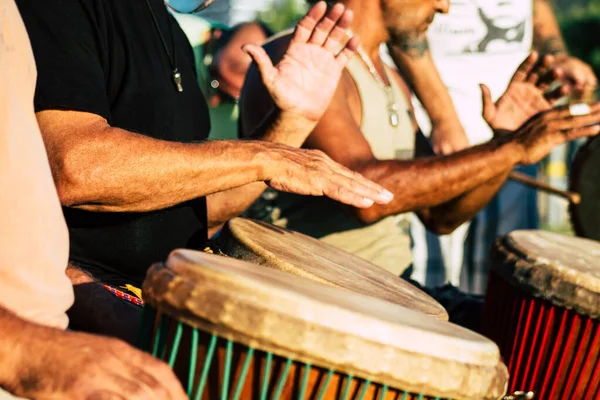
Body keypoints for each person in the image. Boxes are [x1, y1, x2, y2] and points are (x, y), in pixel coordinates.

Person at [16, 0, 392, 342]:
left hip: (163, 293)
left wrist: (293, 120)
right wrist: (265, 156)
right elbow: (76, 169)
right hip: (76, 306)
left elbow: (198, 203)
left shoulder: (171, 33)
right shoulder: (59, 9)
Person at [239, 0, 600, 280]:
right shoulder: (301, 60)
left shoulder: (393, 79)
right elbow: (365, 195)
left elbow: (441, 216)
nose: (444, 7)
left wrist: (504, 146)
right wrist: (509, 148)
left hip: (396, 290)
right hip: (320, 295)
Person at [0, 0, 186, 397]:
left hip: (58, 341)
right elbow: (77, 168)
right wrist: (21, 348)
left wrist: (290, 125)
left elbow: (22, 214)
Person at [388, 0, 598, 292]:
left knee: (501, 281)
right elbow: (401, 22)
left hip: (515, 129)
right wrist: (444, 120)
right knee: (425, 286)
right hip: (434, 135)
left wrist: (557, 55)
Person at [169, 9, 272, 140]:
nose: (214, 101)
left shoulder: (248, 118)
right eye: (212, 83)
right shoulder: (173, 34)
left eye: (227, 98)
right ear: (215, 35)